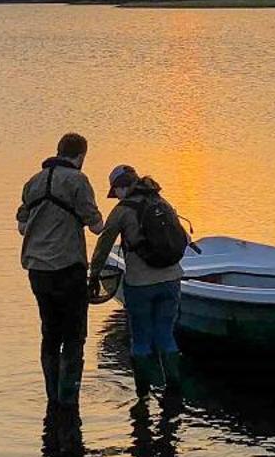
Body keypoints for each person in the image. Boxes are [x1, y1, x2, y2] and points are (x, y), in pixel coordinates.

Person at [17, 132, 103, 406]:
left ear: (57, 151)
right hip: (69, 269)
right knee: (74, 336)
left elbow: (21, 225)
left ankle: (51, 397)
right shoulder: (78, 181)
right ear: (81, 156)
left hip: (38, 270)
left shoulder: (33, 182)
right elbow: (96, 225)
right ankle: (69, 400)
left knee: (50, 333)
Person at [89, 164, 187, 398]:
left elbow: (104, 246)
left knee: (141, 340)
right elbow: (182, 237)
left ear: (122, 187)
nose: (116, 196)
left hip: (139, 285)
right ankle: (174, 392)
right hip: (171, 280)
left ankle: (142, 396)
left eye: (116, 191)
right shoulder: (162, 203)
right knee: (166, 335)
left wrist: (94, 276)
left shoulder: (122, 211)